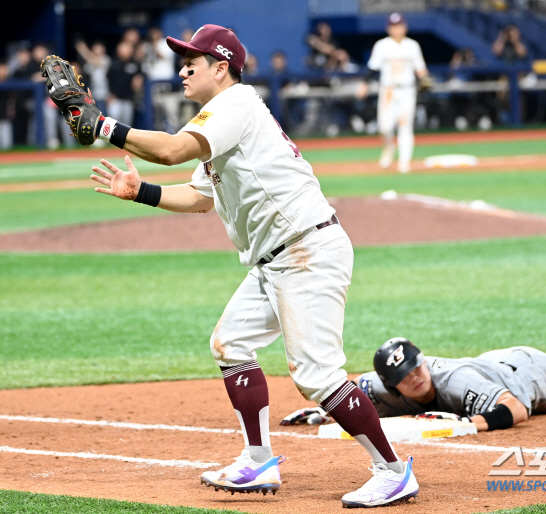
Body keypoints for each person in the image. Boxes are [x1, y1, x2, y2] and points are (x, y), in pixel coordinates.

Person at [68, 24, 417, 508]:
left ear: (222, 66)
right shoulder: (219, 117)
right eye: (181, 58)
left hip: (305, 249)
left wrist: (102, 125)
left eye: (194, 58)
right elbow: (198, 197)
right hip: (277, 258)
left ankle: (393, 470)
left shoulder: (236, 106)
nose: (183, 66)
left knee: (316, 374)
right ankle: (257, 460)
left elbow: (170, 150)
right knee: (230, 344)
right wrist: (142, 192)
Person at [283, 338, 546, 432]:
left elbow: (517, 408)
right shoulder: (378, 387)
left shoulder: (455, 381)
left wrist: (469, 425)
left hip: (530, 377)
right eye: (405, 377)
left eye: (417, 367)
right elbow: (356, 398)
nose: (416, 377)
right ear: (391, 385)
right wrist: (324, 413)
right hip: (501, 367)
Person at [357, 12, 428, 173]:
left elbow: (421, 69)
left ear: (405, 27)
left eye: (399, 25)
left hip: (407, 90)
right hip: (388, 90)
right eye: (393, 26)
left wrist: (426, 81)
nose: (397, 29)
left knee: (405, 126)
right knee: (385, 127)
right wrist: (364, 84)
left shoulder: (412, 46)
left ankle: (404, 162)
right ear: (389, 28)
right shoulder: (382, 45)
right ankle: (389, 148)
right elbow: (372, 67)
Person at [106, 41, 143, 127]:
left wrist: (138, 81)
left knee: (126, 126)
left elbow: (139, 78)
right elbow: (108, 80)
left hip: (129, 99)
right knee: (113, 124)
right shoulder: (114, 63)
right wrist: (109, 95)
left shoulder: (135, 64)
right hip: (115, 99)